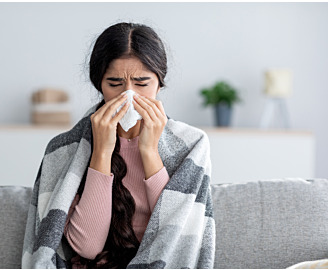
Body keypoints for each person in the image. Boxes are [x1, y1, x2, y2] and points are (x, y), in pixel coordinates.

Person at [22, 22, 215, 269]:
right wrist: (101, 152)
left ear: (159, 83)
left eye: (142, 83)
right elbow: (87, 248)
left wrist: (149, 151)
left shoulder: (192, 145)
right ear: (99, 85)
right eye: (115, 84)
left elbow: (175, 240)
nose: (128, 96)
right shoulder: (64, 149)